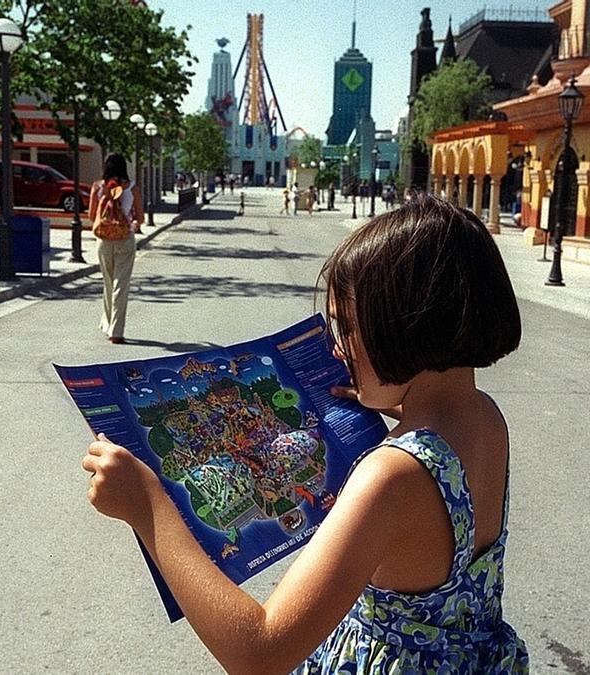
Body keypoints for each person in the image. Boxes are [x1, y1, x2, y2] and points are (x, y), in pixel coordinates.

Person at [83, 195, 528, 673]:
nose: (335, 347)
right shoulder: (483, 419)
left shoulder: (391, 477)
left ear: (405, 327)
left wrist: (147, 506)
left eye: (347, 327)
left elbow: (260, 653)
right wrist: (393, 403)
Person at [89, 153, 144, 345]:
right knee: (122, 285)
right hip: (125, 239)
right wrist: (132, 224)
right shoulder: (132, 188)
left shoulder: (98, 187)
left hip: (103, 240)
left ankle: (108, 324)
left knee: (108, 283)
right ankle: (116, 331)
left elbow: (90, 216)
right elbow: (140, 218)